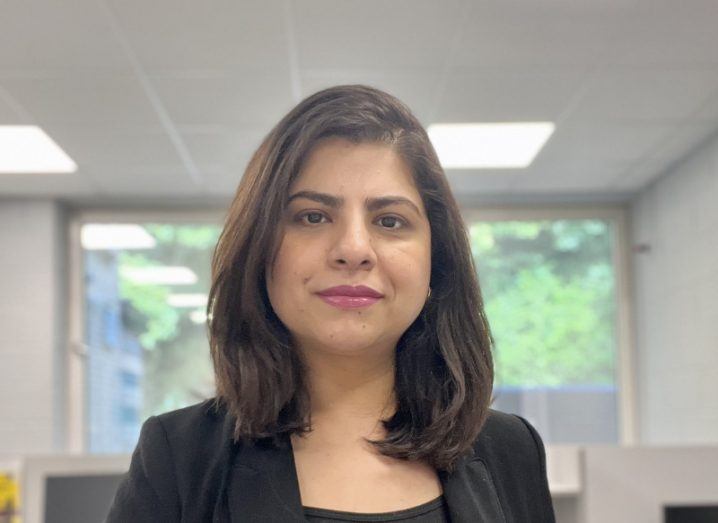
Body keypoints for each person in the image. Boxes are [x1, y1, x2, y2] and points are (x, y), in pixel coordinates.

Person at [106, 85, 555, 522]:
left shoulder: (509, 450)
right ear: (260, 251)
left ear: (436, 262)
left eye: (390, 220)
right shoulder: (178, 456)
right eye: (313, 217)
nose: (354, 248)